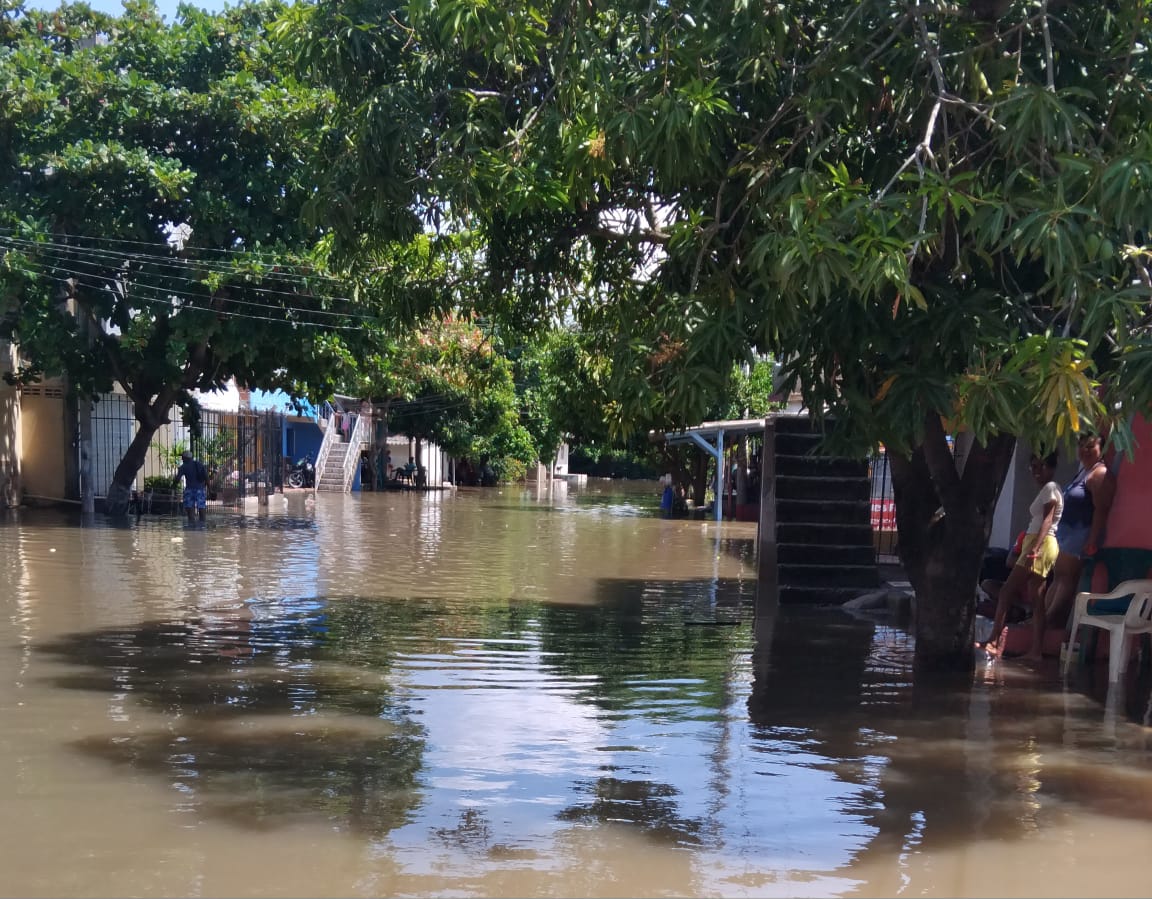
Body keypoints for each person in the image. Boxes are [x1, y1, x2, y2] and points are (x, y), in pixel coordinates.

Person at [981, 452, 1062, 658]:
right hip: (1039, 543)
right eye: (1033, 467)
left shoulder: (1051, 488)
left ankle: (994, 640)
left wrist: (1035, 548)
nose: (1036, 471)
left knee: (1007, 591)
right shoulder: (1048, 489)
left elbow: (1047, 520)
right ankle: (1035, 651)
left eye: (1041, 466)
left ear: (1051, 467)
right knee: (1037, 601)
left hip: (1039, 544)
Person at [1043, 432, 1116, 636]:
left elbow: (1101, 509)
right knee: (1058, 577)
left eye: (1090, 446)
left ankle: (1050, 622)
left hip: (1080, 534)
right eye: (1081, 446)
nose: (1084, 450)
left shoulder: (1099, 474)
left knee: (1067, 579)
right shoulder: (1083, 471)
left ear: (1101, 449)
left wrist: (1092, 540)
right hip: (1066, 534)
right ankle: (1043, 619)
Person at [174, 449, 208, 524]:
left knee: (190, 509)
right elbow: (206, 477)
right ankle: (203, 525)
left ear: (186, 458)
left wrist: (173, 486)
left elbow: (177, 479)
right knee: (201, 507)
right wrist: (210, 489)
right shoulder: (199, 464)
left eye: (182, 457)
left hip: (189, 490)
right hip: (200, 490)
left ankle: (191, 526)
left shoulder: (183, 467)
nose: (182, 459)